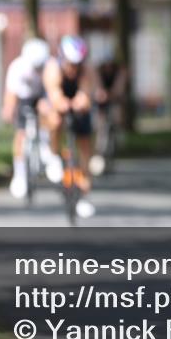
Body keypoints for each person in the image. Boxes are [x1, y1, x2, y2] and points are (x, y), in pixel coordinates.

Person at [42, 35, 96, 219]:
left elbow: (86, 93)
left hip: (77, 103)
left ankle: (84, 196)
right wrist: (61, 103)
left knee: (85, 149)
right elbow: (54, 94)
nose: (73, 68)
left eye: (77, 64)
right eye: (70, 64)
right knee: (55, 120)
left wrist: (82, 100)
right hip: (58, 101)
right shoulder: (52, 67)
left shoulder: (86, 70)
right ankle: (54, 155)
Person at [1, 38, 60, 199]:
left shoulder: (52, 65)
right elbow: (11, 96)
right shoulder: (17, 67)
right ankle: (19, 174)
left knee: (52, 118)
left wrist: (49, 106)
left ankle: (50, 153)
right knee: (20, 133)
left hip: (43, 93)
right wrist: (8, 110)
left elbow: (54, 92)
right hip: (24, 97)